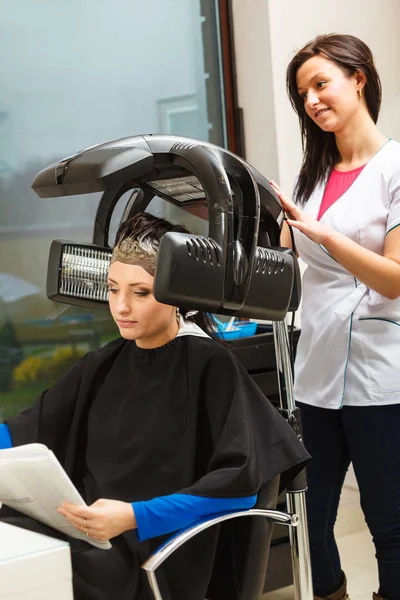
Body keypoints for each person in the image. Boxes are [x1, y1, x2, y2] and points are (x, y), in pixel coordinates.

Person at [0, 212, 309, 600]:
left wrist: (132, 516)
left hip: (152, 549)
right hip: (88, 529)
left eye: (140, 292)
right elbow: (25, 428)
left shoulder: (209, 365)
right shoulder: (103, 364)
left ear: (176, 292)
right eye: (113, 289)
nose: (121, 307)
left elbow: (239, 487)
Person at [270, 34, 400, 600]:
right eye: (303, 94)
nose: (312, 101)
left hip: (381, 375)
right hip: (316, 370)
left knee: (389, 525)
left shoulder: (395, 168)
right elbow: (284, 262)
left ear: (359, 78)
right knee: (308, 519)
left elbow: (396, 279)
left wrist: (322, 233)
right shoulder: (312, 176)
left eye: (321, 83)